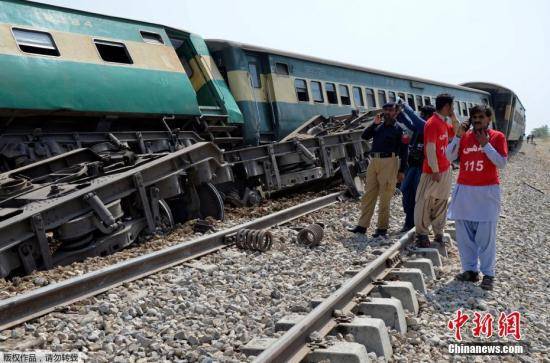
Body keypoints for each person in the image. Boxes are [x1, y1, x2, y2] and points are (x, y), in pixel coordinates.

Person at [446, 105, 507, 290]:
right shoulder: (464, 137)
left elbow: (501, 163)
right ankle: (470, 271)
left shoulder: (497, 137)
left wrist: (485, 145)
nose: (477, 120)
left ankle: (488, 274)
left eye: (481, 117)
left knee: (485, 237)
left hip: (486, 193)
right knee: (464, 236)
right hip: (465, 191)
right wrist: (457, 135)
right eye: (474, 117)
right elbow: (449, 156)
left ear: (488, 119)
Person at [347, 102, 409, 238]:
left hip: (390, 161)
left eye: (390, 110)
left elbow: (405, 152)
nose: (387, 112)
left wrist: (402, 170)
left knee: (385, 196)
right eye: (385, 109)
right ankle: (362, 226)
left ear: (396, 112)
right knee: (368, 194)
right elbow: (364, 136)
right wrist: (374, 124)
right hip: (374, 161)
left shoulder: (400, 129)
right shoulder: (378, 126)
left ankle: (382, 228)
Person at [413, 93, 456, 247]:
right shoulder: (432, 123)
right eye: (452, 106)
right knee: (425, 201)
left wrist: (453, 117)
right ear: (446, 106)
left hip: (445, 168)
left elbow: (457, 132)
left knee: (441, 202)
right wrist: (435, 169)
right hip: (433, 171)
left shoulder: (444, 122)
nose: (453, 109)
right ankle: (422, 234)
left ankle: (438, 232)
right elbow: (430, 147)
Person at [399, 104, 435, 232]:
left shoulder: (429, 127)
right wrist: (400, 114)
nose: (422, 117)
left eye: (424, 115)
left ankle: (419, 223)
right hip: (412, 165)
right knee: (406, 191)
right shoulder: (419, 127)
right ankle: (409, 222)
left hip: (422, 167)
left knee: (418, 195)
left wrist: (406, 108)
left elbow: (418, 124)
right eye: (421, 114)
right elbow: (410, 124)